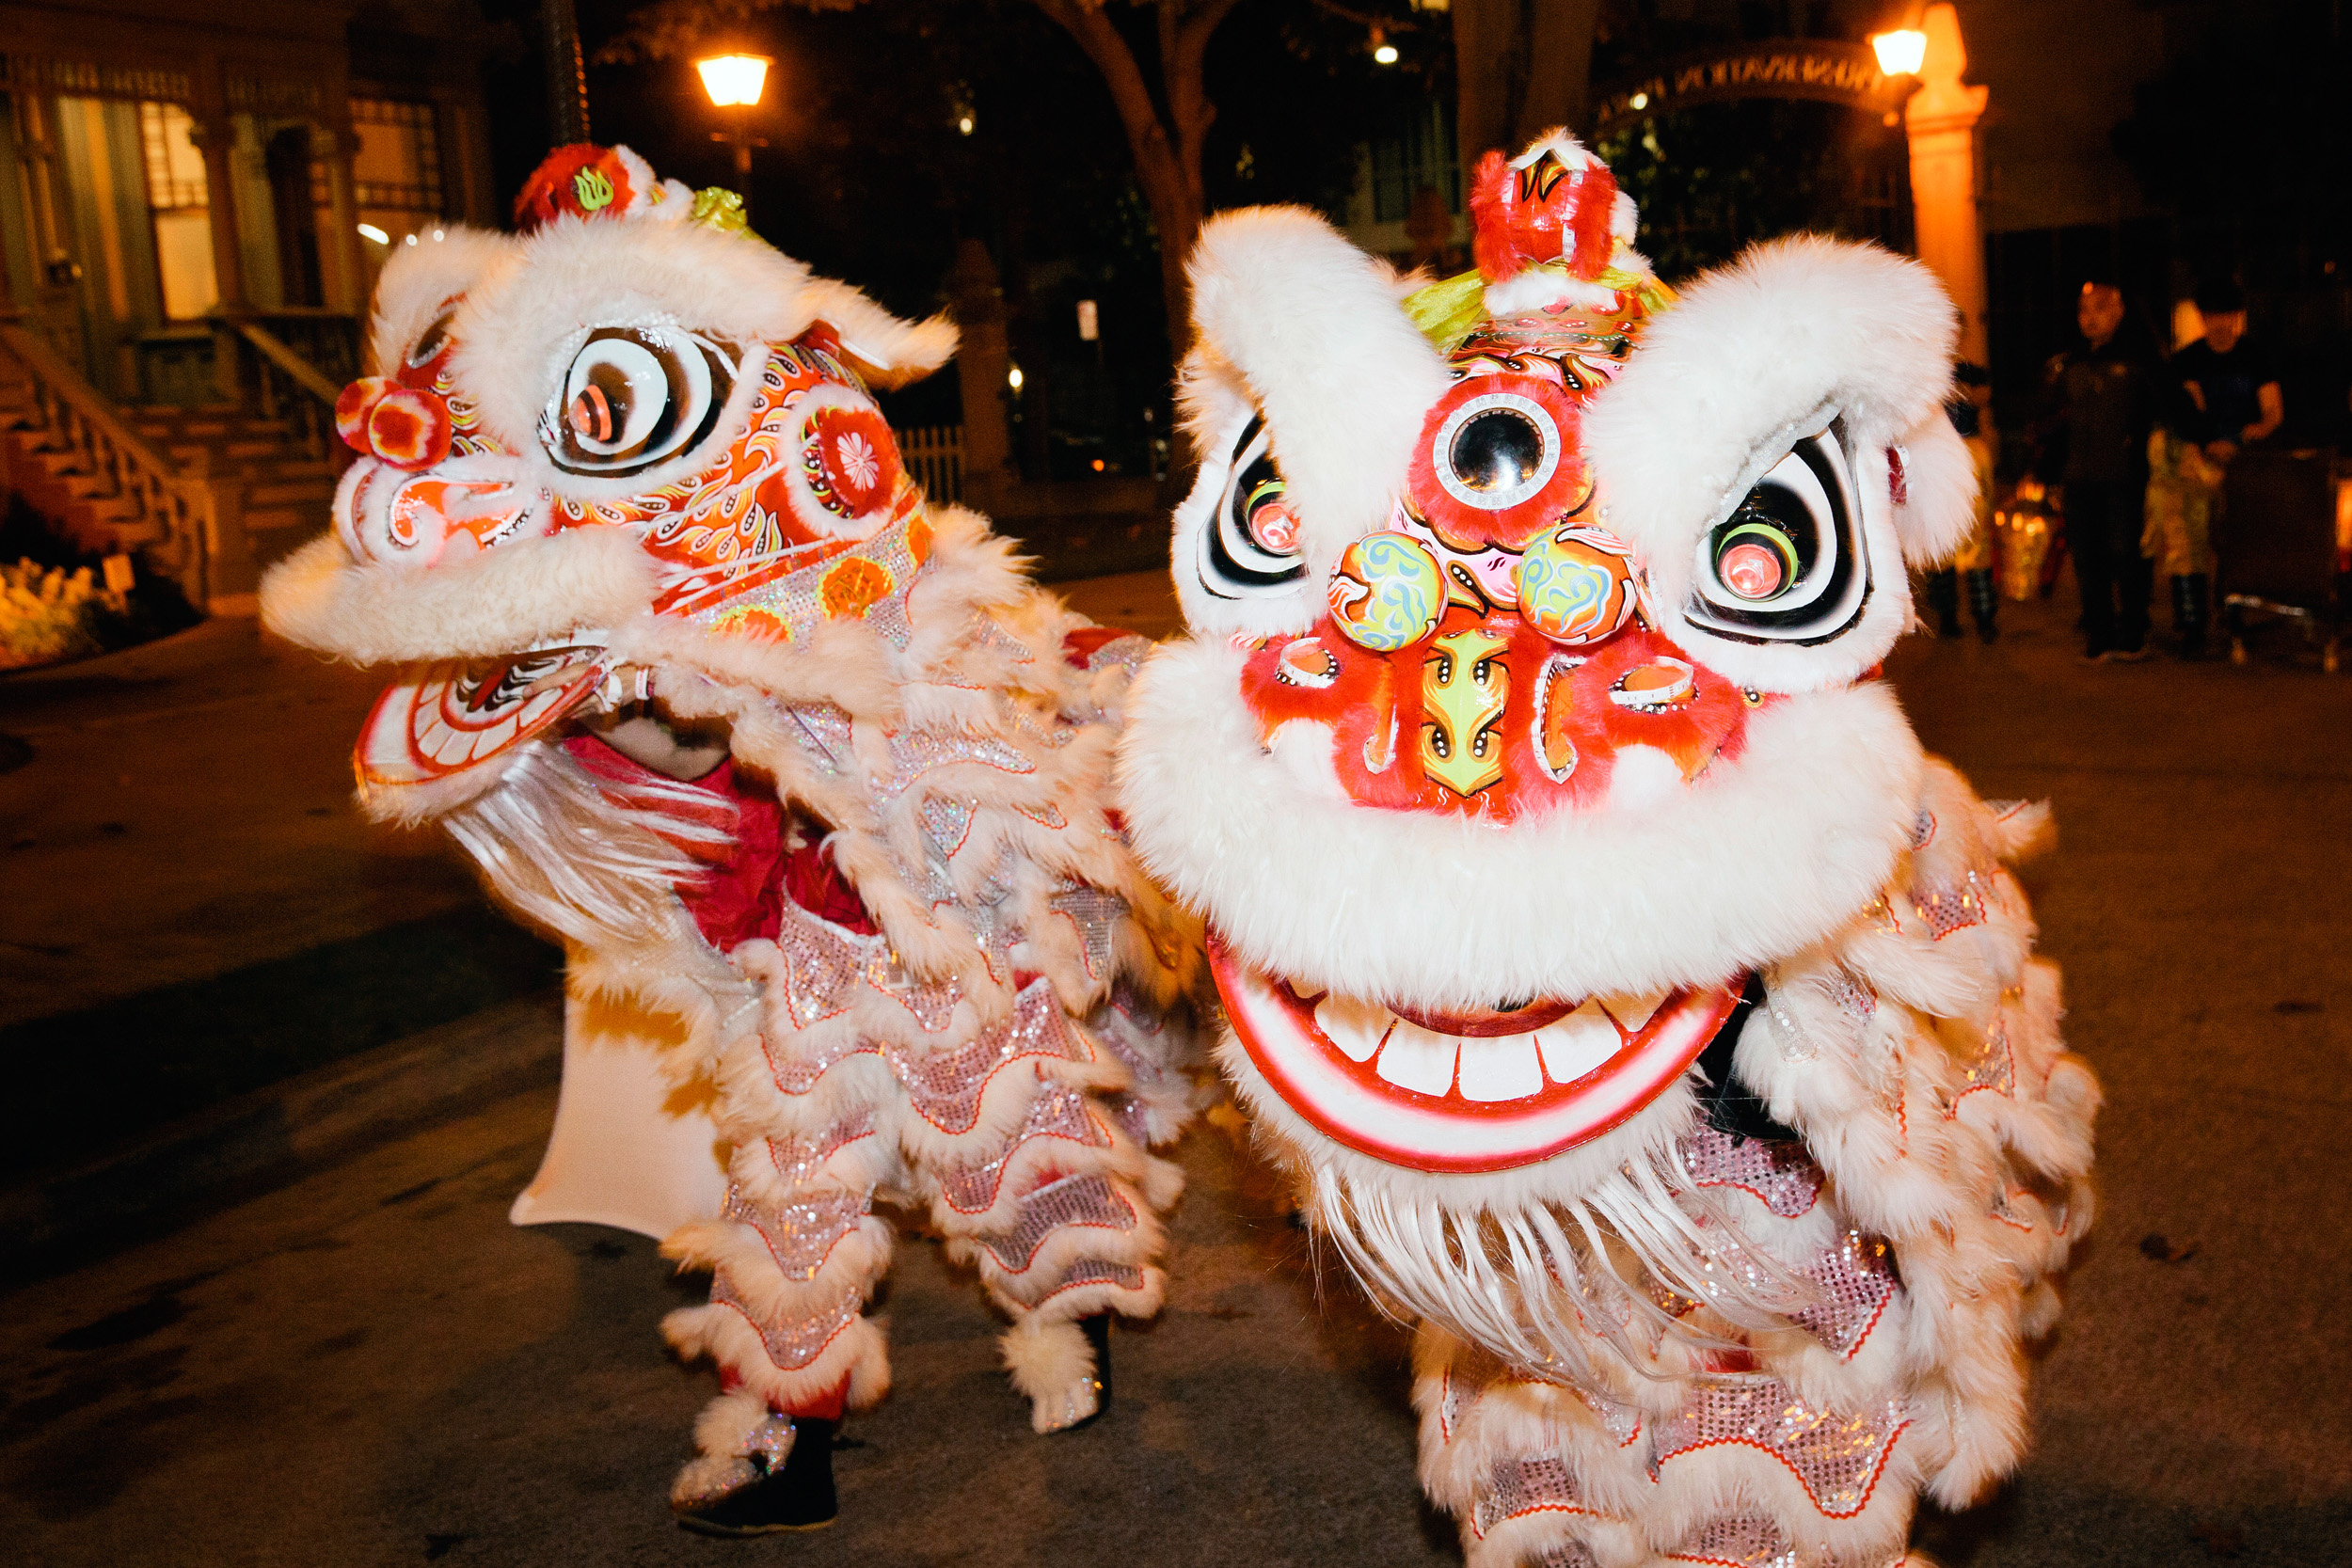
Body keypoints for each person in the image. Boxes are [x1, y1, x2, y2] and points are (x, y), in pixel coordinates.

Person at [2036, 281, 2163, 661]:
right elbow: (2050, 421)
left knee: (2125, 552)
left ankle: (2133, 629)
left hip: (2124, 477)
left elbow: (2164, 411)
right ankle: (2099, 628)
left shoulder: (2140, 361)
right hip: (2079, 477)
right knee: (2087, 557)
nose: (2090, 319)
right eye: (2084, 311)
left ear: (2120, 312)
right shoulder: (2068, 365)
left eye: (2100, 309)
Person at [1923, 362, 1999, 641]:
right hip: (1937, 453)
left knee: (1976, 539)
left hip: (1968, 450)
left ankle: (1985, 617)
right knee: (1940, 540)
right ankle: (1947, 617)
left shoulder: (1971, 371)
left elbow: (1982, 396)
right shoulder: (1925, 363)